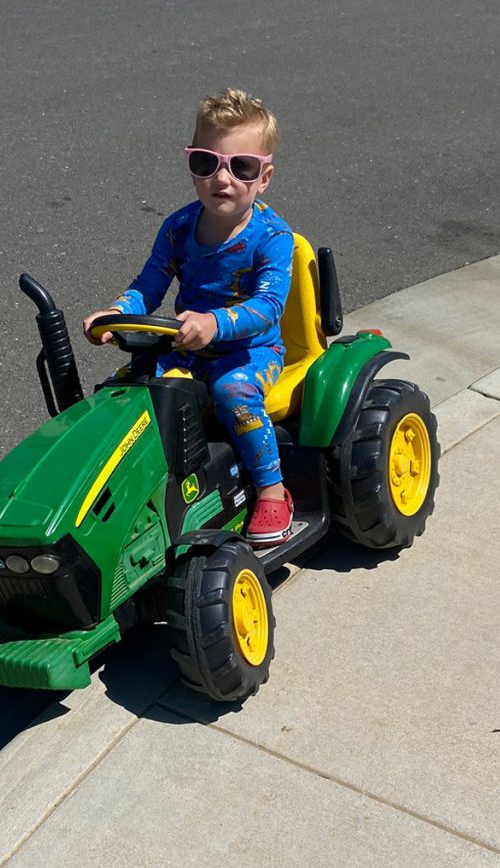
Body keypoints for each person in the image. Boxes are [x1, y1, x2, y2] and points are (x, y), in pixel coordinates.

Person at [83, 87, 295, 548]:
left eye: (241, 166)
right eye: (206, 162)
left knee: (231, 392)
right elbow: (149, 285)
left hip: (251, 350)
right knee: (128, 391)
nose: (223, 177)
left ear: (265, 177)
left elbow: (269, 307)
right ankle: (135, 500)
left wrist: (215, 323)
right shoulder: (178, 228)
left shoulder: (273, 237)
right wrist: (118, 313)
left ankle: (273, 489)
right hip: (186, 343)